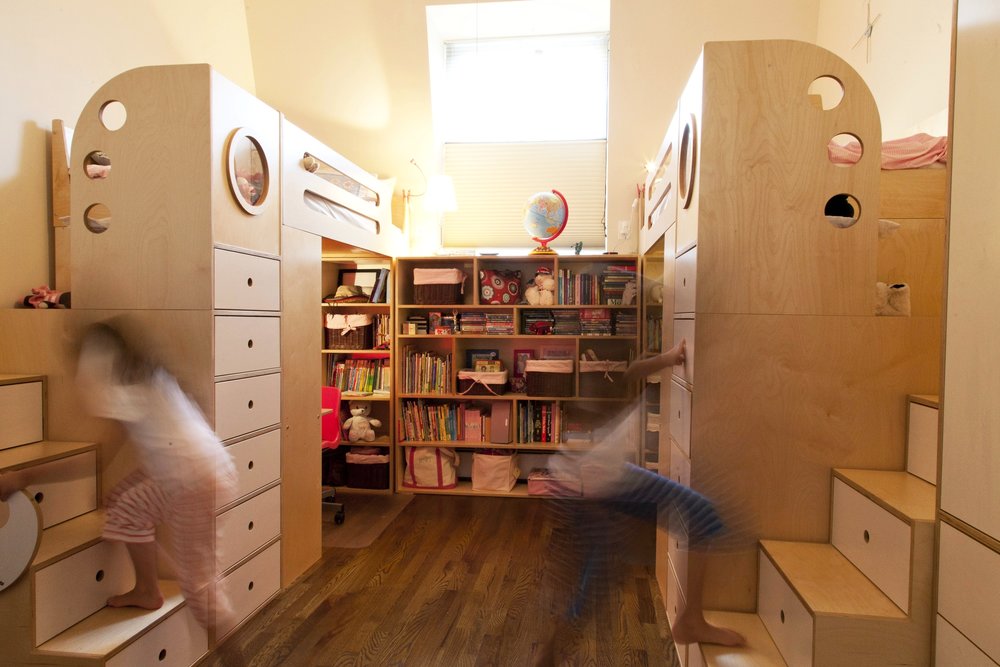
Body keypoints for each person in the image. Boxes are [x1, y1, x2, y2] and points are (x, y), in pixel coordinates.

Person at [2, 322, 237, 628]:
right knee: (123, 502)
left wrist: (23, 477)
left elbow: (96, 458)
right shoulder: (152, 378)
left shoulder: (121, 393)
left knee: (199, 587)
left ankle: (220, 637)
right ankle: (151, 585)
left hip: (189, 483)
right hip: (205, 468)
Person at [535, 340, 743, 665]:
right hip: (594, 485)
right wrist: (598, 511)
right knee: (595, 579)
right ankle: (549, 653)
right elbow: (622, 383)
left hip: (601, 478)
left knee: (595, 578)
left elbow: (633, 370)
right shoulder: (599, 391)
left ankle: (691, 620)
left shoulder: (616, 378)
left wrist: (669, 358)